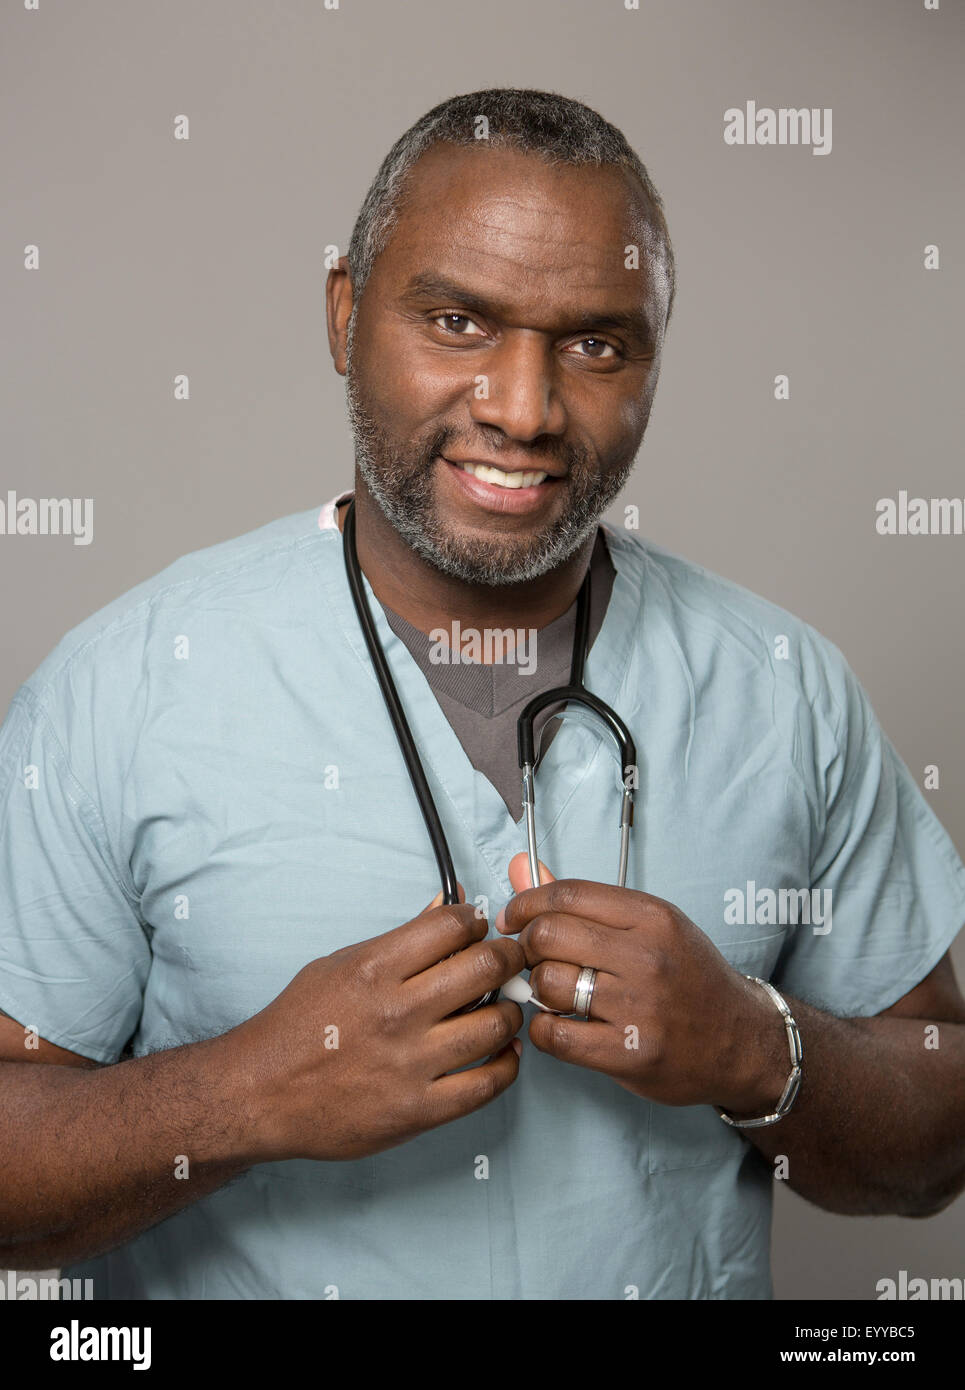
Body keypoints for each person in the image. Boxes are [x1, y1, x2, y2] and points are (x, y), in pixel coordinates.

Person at [1, 88, 963, 1301]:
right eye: (458, 321)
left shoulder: (782, 690)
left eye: (596, 343)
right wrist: (244, 1091)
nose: (522, 407)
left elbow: (938, 1129)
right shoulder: (124, 690)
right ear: (345, 314)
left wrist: (750, 1044)